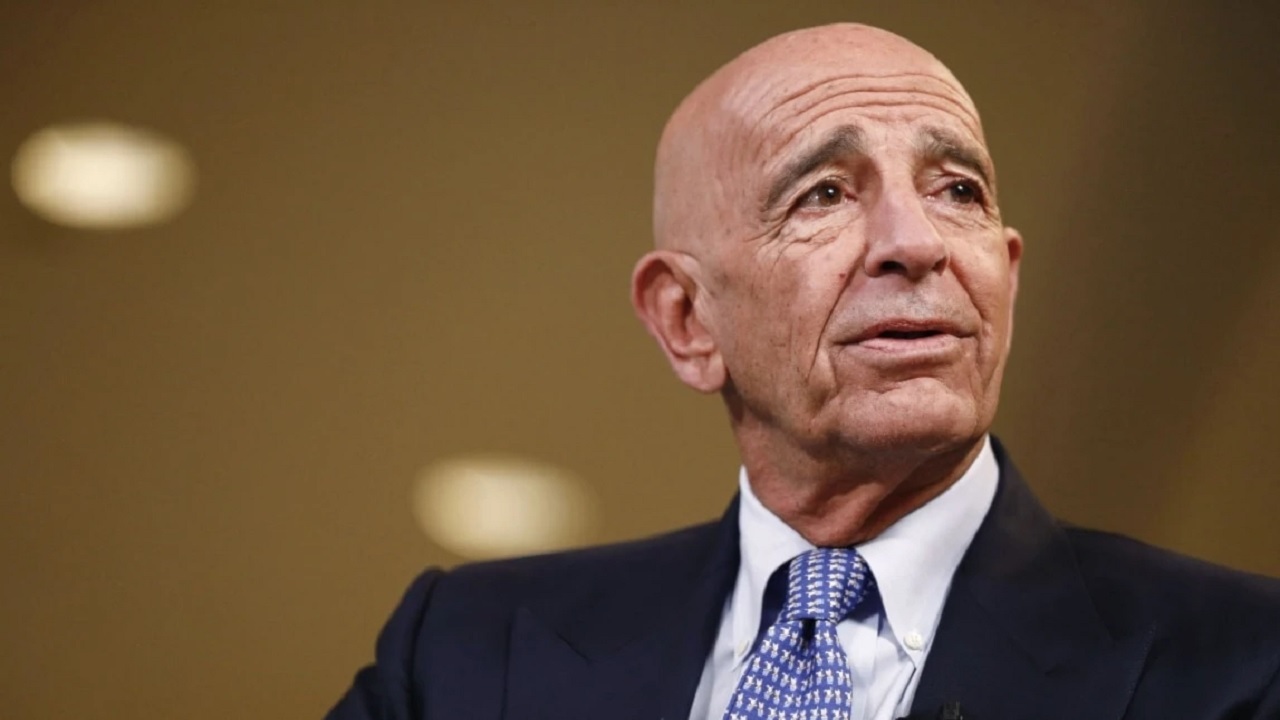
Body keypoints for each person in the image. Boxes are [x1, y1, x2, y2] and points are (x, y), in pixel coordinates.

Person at [327, 23, 1280, 720]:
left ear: (1007, 277)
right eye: (824, 194)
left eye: (958, 191)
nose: (917, 243)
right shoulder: (468, 654)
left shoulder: (1243, 664)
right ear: (687, 320)